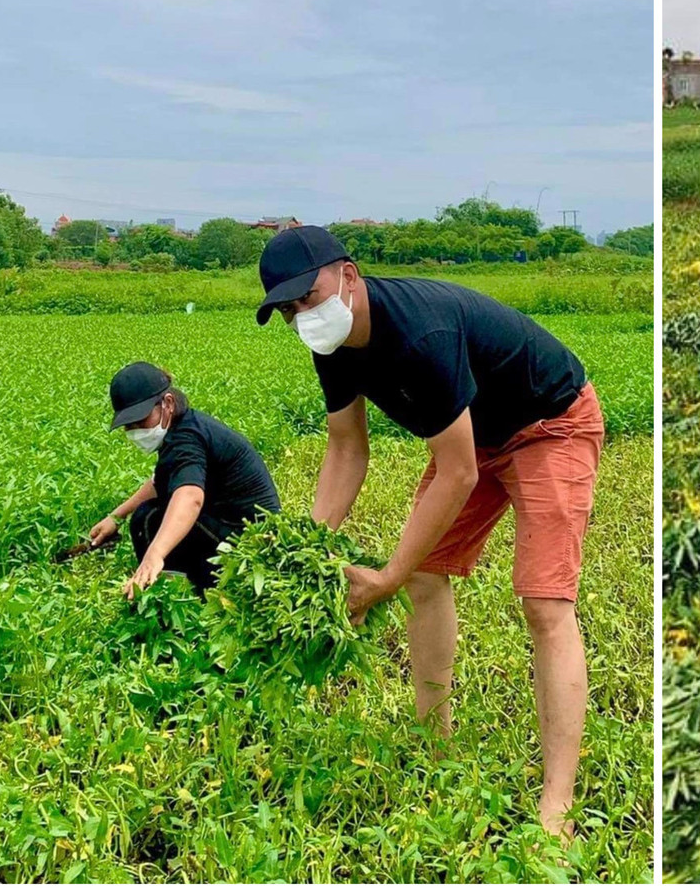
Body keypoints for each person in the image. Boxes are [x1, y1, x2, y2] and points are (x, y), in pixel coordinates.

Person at [255, 226, 604, 838]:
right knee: (425, 573)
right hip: (479, 435)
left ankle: (558, 806)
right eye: (287, 310)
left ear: (349, 276)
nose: (302, 316)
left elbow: (458, 471)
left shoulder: (422, 332)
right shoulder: (331, 347)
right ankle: (433, 744)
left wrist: (382, 578)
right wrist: (305, 551)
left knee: (545, 604)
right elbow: (345, 450)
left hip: (551, 422)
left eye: (307, 297)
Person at [92, 362, 281, 599]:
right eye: (129, 426)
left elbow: (190, 497)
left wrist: (155, 554)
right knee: (150, 514)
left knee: (149, 519)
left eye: (141, 421)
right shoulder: (182, 428)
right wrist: (115, 517)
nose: (136, 431)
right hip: (239, 527)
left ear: (168, 403)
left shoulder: (186, 439)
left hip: (253, 542)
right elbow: (158, 484)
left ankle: (181, 594)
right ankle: (173, 582)